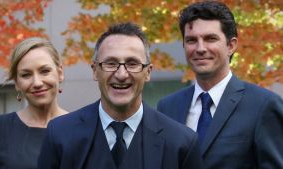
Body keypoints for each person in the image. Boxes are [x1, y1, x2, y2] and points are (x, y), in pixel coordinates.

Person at [38, 22, 203, 169]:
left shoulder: (181, 143)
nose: (122, 74)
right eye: (111, 63)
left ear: (148, 72)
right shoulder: (60, 134)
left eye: (132, 63)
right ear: (95, 71)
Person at [157, 1, 283, 169]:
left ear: (231, 45)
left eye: (210, 39)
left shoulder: (264, 105)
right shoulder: (167, 108)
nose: (200, 48)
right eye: (191, 40)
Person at [0, 37, 68, 169]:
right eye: (26, 75)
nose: (37, 83)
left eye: (45, 71)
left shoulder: (84, 130)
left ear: (60, 73)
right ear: (16, 83)